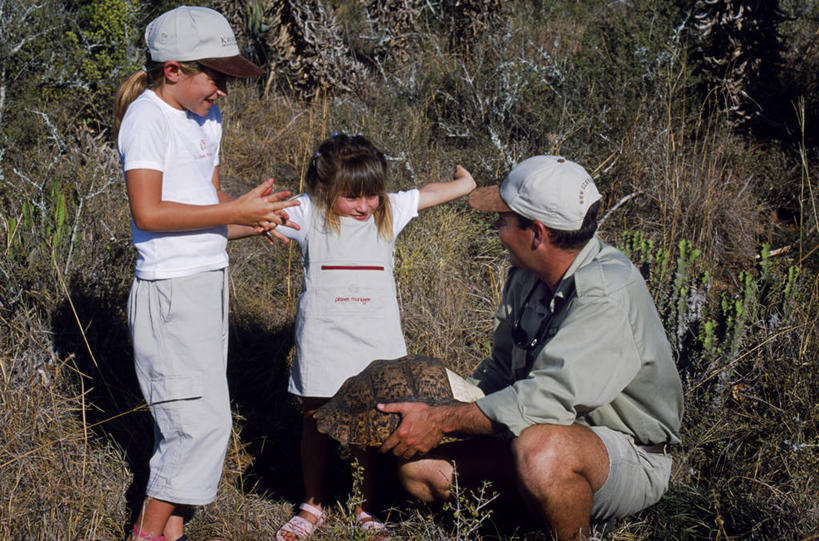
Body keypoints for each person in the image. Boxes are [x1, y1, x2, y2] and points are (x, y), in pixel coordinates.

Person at [378, 155, 684, 541]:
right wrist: (434, 405)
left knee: (542, 452)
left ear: (537, 233)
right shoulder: (527, 275)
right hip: (539, 436)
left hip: (625, 454)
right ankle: (552, 511)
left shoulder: (606, 293)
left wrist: (441, 421)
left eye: (503, 220)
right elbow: (502, 371)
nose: (496, 228)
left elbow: (545, 401)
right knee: (420, 472)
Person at [115, 6, 299, 541]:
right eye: (215, 77)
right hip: (170, 293)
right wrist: (233, 213)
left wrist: (252, 219)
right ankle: (145, 533)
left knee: (197, 419)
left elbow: (209, 204)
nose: (221, 90)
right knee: (198, 425)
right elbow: (148, 213)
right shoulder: (147, 118)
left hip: (207, 282)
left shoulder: (206, 117)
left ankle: (171, 530)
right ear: (173, 69)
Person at [273, 133, 476, 541]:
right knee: (314, 420)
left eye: (372, 195)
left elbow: (428, 194)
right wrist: (255, 221)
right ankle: (313, 503)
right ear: (324, 187)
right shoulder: (309, 212)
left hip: (375, 344)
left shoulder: (388, 212)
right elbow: (258, 215)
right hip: (322, 340)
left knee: (369, 422)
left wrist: (464, 184)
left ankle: (365, 507)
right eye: (352, 197)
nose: (365, 205)